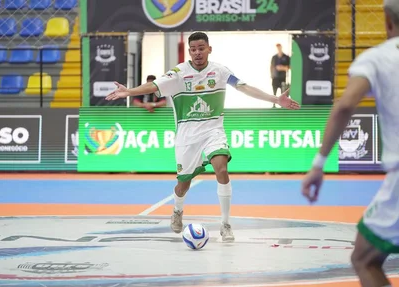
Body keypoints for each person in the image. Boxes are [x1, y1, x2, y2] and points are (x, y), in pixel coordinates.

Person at [106, 31, 300, 242]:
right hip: (187, 136)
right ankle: (178, 210)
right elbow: (154, 86)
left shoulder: (220, 71)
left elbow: (243, 87)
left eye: (201, 48)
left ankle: (225, 224)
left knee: (222, 168)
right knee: (183, 184)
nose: (197, 52)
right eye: (193, 49)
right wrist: (129, 91)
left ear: (209, 49)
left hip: (213, 131)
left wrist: (274, 99)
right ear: (189, 51)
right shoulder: (179, 72)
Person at [301, 0, 399, 285]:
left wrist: (318, 164)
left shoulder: (378, 57)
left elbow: (345, 106)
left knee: (364, 259)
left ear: (387, 22)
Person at [270, 44, 290, 108]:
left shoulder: (286, 57)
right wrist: (271, 74)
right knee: (274, 92)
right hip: (275, 77)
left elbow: (289, 67)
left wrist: (282, 68)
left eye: (279, 47)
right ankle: (274, 104)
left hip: (282, 77)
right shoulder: (274, 57)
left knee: (283, 92)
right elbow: (271, 66)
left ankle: (283, 105)